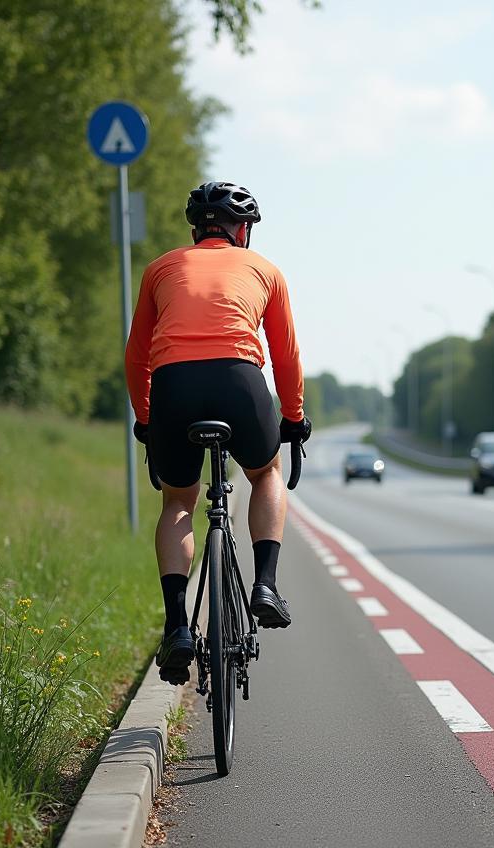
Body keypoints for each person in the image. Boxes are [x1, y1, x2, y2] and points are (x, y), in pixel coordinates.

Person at [125, 181, 312, 684]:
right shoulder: (265, 270)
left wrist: (146, 420)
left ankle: (177, 626)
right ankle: (266, 586)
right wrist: (292, 418)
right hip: (240, 382)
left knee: (179, 502)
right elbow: (287, 356)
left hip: (173, 387)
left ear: (194, 230)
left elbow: (137, 356)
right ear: (243, 231)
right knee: (266, 472)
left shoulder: (160, 268)